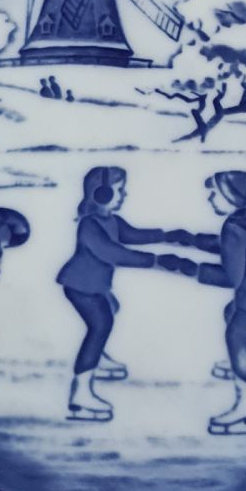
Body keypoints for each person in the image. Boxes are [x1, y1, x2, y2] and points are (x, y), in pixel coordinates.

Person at [56, 166, 194, 423]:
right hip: (80, 285)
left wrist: (167, 236)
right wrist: (155, 261)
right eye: (120, 190)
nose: (125, 194)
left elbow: (133, 235)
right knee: (101, 325)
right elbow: (114, 253)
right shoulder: (89, 225)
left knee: (110, 310)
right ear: (102, 193)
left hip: (95, 285)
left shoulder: (111, 220)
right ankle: (80, 393)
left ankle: (97, 357)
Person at [168, 169, 246, 435]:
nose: (210, 199)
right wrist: (191, 240)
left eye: (214, 193)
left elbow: (230, 277)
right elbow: (229, 248)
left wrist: (189, 268)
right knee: (232, 312)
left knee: (237, 333)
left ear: (229, 196)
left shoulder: (233, 228)